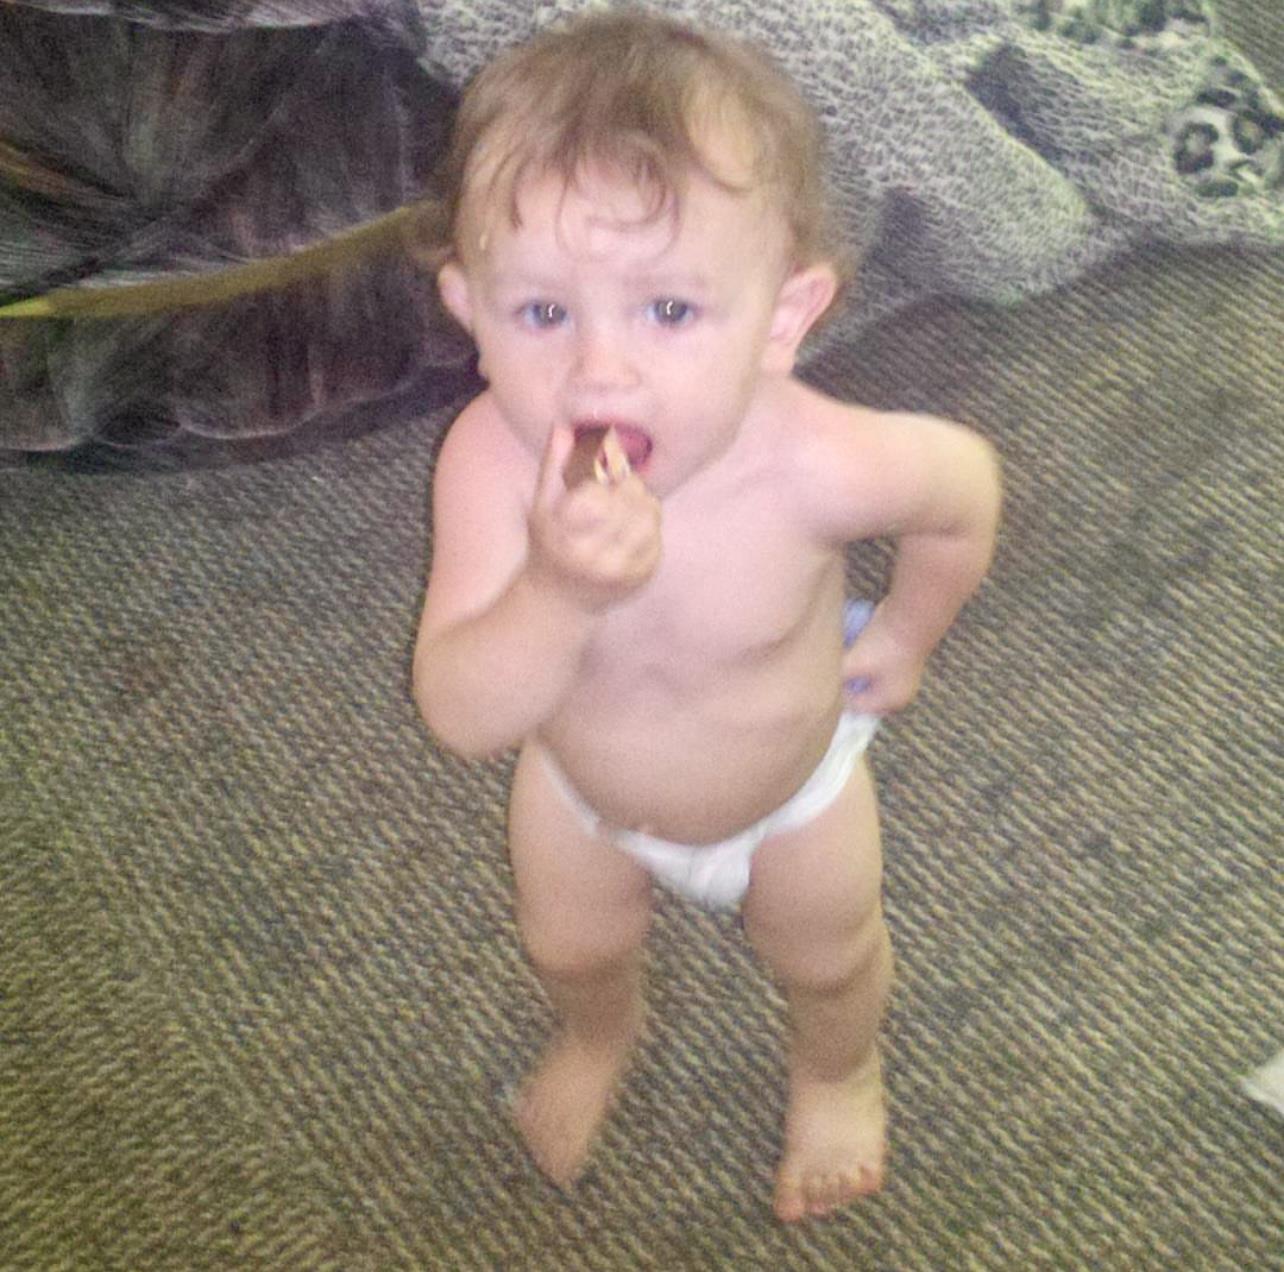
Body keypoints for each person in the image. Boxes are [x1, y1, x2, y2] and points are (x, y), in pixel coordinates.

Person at [412, 8, 1001, 1223]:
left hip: (789, 793)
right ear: (469, 311)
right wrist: (556, 590)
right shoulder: (486, 466)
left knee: (827, 960)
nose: (600, 371)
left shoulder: (823, 465)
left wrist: (904, 634)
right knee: (568, 946)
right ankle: (600, 1034)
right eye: (543, 313)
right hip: (580, 788)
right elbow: (466, 714)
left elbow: (963, 495)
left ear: (783, 321)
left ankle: (838, 1070)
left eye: (670, 311)